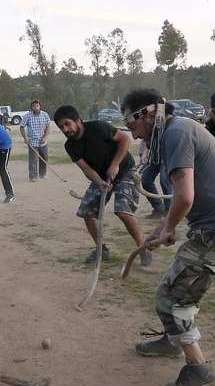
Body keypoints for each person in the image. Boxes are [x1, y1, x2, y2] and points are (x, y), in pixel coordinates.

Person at [122, 88, 215, 386]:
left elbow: (185, 196)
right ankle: (171, 341)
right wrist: (166, 225)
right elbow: (182, 196)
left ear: (147, 113)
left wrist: (167, 229)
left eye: (132, 126)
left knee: (173, 299)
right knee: (173, 288)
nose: (134, 136)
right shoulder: (172, 131)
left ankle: (200, 370)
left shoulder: (176, 133)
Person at [53, 105, 150, 266]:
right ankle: (101, 250)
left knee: (123, 211)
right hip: (102, 177)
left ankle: (142, 249)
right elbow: (86, 168)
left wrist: (115, 165)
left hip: (125, 170)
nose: (65, 129)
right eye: (61, 126)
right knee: (86, 212)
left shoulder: (98, 127)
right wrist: (99, 182)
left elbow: (125, 139)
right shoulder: (70, 146)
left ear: (78, 120)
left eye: (67, 123)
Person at [138, 138, 172, 218]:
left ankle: (169, 211)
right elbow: (150, 140)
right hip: (155, 156)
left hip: (168, 155)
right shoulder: (153, 129)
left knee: (164, 181)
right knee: (145, 180)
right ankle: (158, 208)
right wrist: (144, 154)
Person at [20, 100, 51, 182]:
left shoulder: (45, 115)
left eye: (37, 106)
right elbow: (22, 127)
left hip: (43, 141)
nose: (36, 107)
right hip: (32, 142)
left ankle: (42, 174)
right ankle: (33, 176)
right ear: (31, 107)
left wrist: (45, 137)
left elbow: (48, 127)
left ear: (40, 106)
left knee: (44, 158)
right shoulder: (27, 116)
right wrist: (25, 138)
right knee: (33, 160)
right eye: (34, 106)